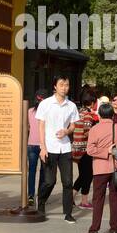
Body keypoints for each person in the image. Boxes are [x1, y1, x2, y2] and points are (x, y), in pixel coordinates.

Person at [83, 101, 117, 233]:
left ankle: (94, 229)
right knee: (115, 199)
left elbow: (90, 150)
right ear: (113, 115)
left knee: (98, 199)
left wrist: (105, 151)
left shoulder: (95, 129)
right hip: (116, 168)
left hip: (100, 168)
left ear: (99, 115)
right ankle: (114, 229)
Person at [36, 74, 79, 222]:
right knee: (50, 181)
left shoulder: (71, 105)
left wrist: (66, 131)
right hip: (49, 147)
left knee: (67, 182)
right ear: (55, 86)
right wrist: (42, 147)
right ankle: (40, 203)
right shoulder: (46, 104)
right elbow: (41, 126)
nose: (64, 88)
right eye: (61, 85)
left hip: (65, 147)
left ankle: (68, 213)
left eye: (66, 85)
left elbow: (73, 125)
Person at [71, 95, 98, 209]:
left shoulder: (77, 113)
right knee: (88, 175)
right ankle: (84, 201)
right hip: (84, 150)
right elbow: (87, 133)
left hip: (75, 148)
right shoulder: (88, 116)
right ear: (92, 103)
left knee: (83, 175)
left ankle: (71, 197)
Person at [26, 89, 47, 206]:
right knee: (43, 171)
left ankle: (30, 195)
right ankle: (41, 196)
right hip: (44, 145)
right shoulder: (48, 111)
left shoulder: (29, 111)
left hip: (31, 144)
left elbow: (27, 126)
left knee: (32, 171)